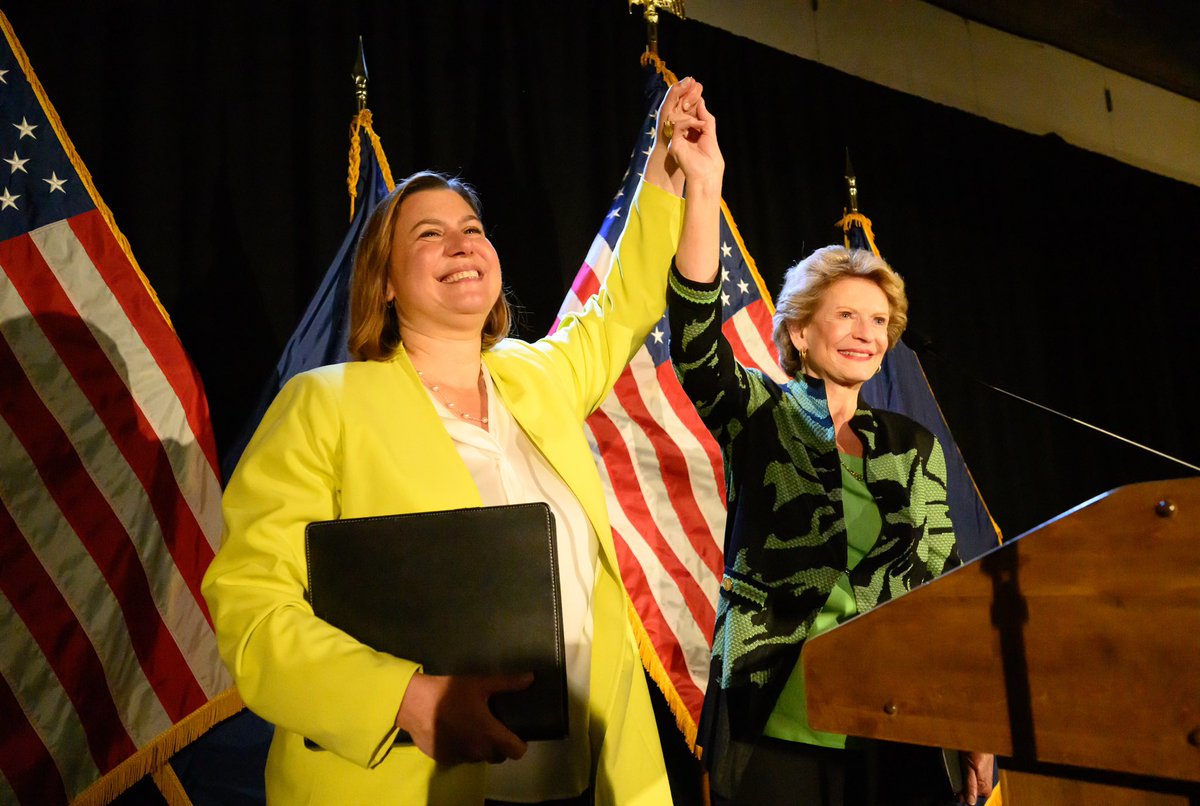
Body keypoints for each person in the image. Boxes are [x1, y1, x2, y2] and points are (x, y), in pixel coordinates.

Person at [201, 77, 722, 805]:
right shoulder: (323, 406)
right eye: (429, 234)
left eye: (473, 229)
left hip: (586, 781)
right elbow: (253, 609)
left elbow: (622, 303)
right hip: (407, 782)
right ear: (382, 281)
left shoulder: (537, 377)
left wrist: (673, 169)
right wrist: (404, 701)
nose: (462, 243)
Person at [667, 229, 996, 804]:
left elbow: (946, 588)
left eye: (877, 321)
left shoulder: (912, 445)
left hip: (898, 723)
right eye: (846, 315)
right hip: (775, 716)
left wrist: (974, 718)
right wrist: (703, 183)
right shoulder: (762, 415)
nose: (865, 334)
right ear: (800, 330)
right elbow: (695, 343)